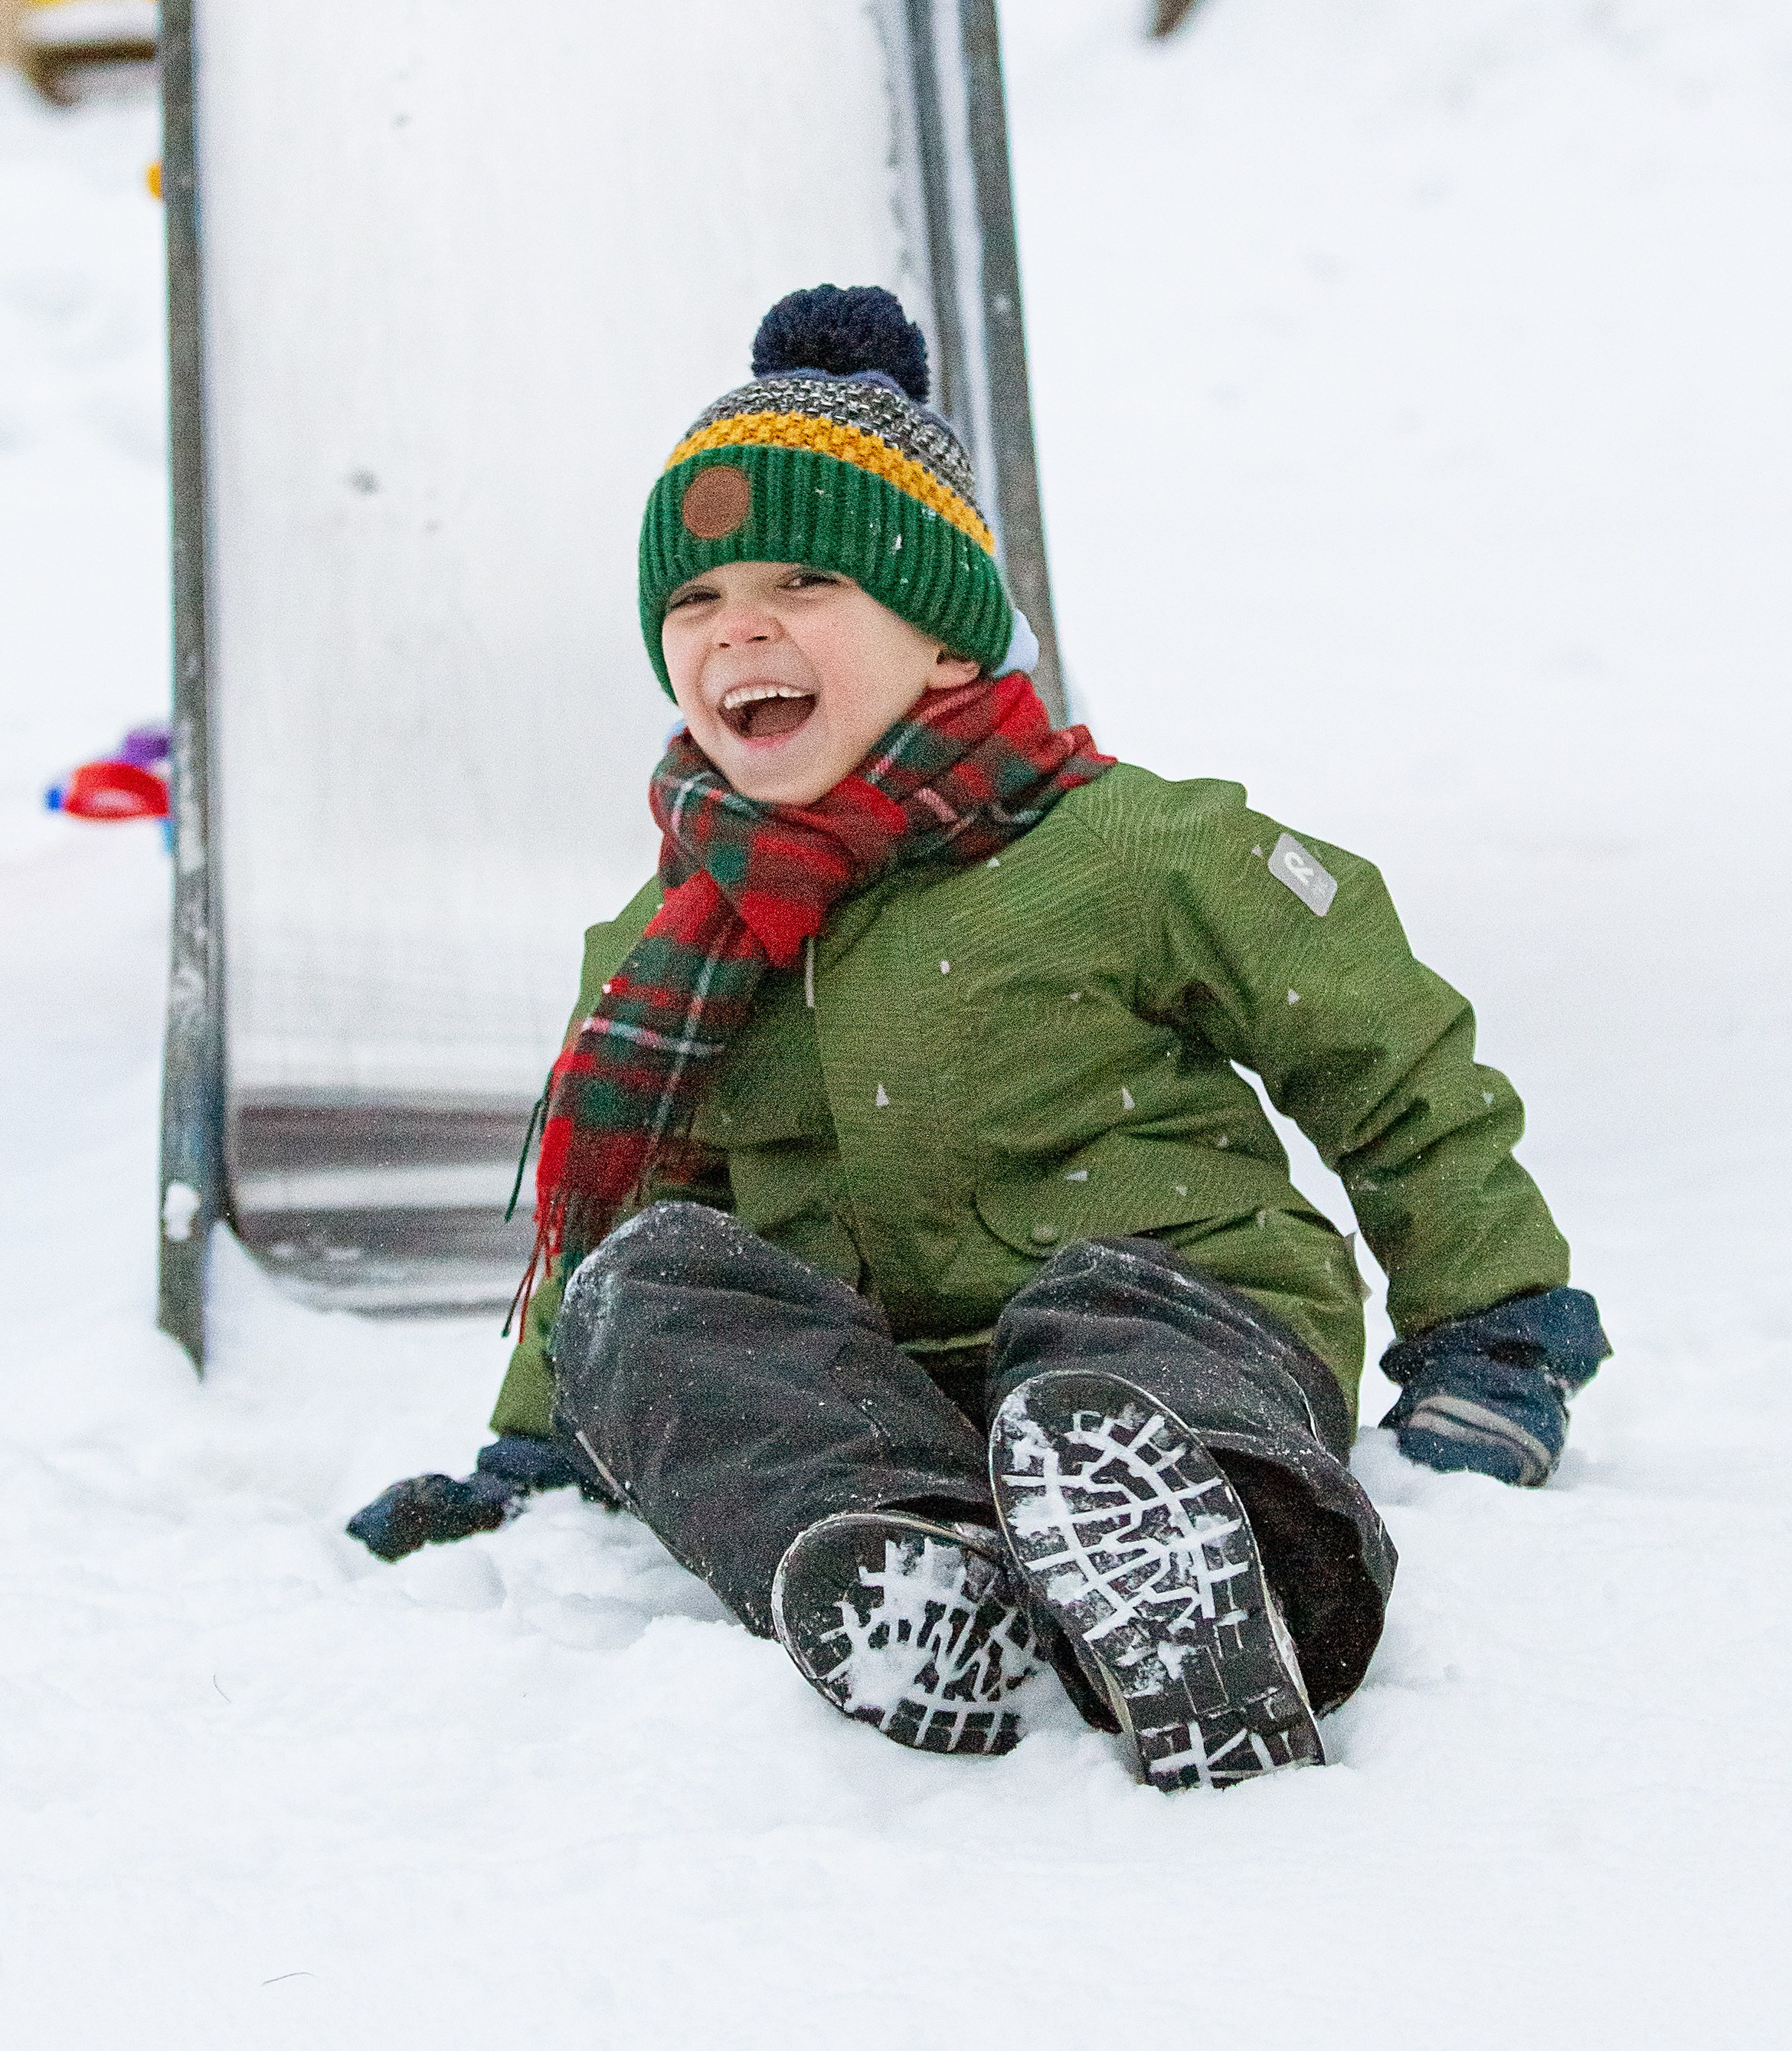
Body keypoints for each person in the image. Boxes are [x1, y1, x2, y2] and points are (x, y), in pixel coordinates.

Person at [349, 284, 1608, 1792]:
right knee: (649, 1284)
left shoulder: (1118, 843)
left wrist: (1496, 1325)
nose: (739, 623)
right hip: (869, 1380)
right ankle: (911, 1561)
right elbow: (609, 1213)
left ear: (948, 642)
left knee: (1111, 1329)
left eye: (804, 580)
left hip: (1165, 1303)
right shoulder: (674, 938)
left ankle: (1223, 1572)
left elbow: (1381, 1047)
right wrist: (540, 1452)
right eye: (696, 601)